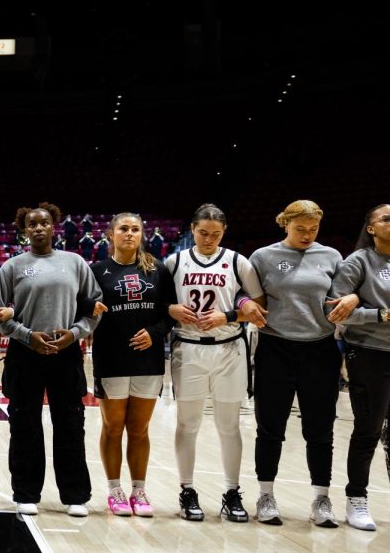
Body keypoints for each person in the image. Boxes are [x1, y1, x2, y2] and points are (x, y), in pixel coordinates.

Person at [0, 203, 101, 517]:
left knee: (70, 423)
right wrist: (25, 335)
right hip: (25, 353)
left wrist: (76, 333)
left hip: (65, 352)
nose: (38, 228)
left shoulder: (75, 262)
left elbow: (95, 306)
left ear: (54, 225)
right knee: (24, 424)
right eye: (32, 224)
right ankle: (26, 493)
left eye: (44, 223)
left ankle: (75, 495)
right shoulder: (12, 267)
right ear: (24, 230)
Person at [245, 201, 347, 527]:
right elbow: (242, 293)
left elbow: (345, 294)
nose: (307, 235)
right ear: (285, 224)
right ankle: (265, 495)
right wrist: (245, 303)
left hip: (320, 350)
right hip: (275, 348)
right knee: (270, 427)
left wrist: (353, 299)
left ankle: (321, 499)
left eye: (313, 229)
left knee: (320, 430)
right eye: (300, 228)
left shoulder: (331, 257)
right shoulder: (262, 257)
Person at [166, 203, 265, 522]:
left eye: (216, 234)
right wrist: (170, 310)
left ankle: (232, 491)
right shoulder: (174, 261)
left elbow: (259, 306)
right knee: (187, 423)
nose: (209, 239)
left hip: (228, 348)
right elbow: (158, 301)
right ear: (193, 229)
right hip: (189, 348)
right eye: (203, 233)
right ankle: (187, 490)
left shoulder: (238, 262)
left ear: (224, 233)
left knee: (229, 425)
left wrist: (232, 313)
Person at [89, 212, 175, 516]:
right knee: (113, 428)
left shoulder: (158, 271)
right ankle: (115, 490)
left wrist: (155, 333)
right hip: (111, 360)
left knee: (139, 429)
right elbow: (82, 307)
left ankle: (139, 490)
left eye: (135, 229)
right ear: (110, 234)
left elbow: (169, 313)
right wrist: (88, 307)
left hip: (148, 361)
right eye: (123, 229)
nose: (129, 234)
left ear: (142, 235)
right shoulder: (97, 271)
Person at [329, 203, 390, 530]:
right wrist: (380, 314)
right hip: (369, 353)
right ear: (371, 228)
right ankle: (357, 499)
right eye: (386, 219)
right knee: (368, 430)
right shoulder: (358, 262)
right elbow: (336, 310)